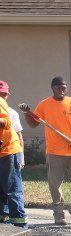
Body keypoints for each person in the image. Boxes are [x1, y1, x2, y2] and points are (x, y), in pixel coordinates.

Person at [21, 76, 71, 225]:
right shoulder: (44, 104)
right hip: (54, 152)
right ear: (53, 88)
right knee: (55, 184)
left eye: (64, 88)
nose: (62, 90)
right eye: (58, 87)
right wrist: (27, 113)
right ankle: (59, 214)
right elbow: (33, 124)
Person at [0, 81, 27, 228]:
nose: (3, 97)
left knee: (12, 188)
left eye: (4, 94)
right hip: (3, 152)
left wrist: (21, 156)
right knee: (2, 189)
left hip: (9, 151)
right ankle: (3, 220)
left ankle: (19, 224)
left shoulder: (9, 111)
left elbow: (8, 124)